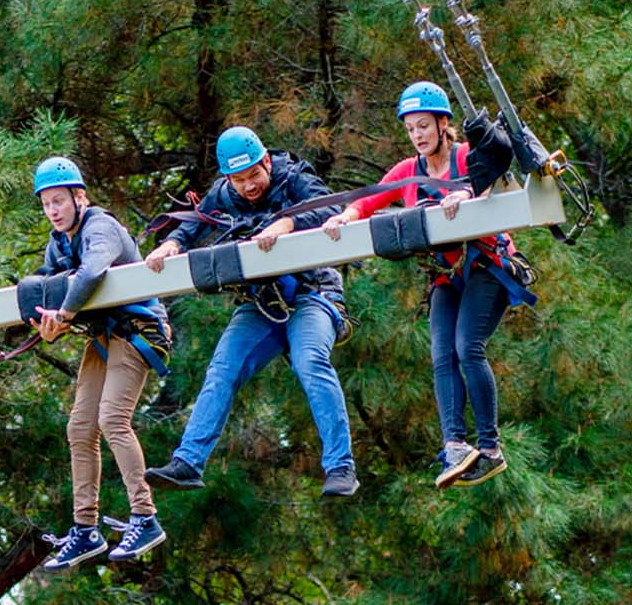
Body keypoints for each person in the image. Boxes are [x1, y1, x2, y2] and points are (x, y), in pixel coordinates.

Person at [322, 81, 541, 487]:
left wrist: (466, 195)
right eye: (410, 129)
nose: (417, 135)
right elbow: (368, 199)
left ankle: (490, 448)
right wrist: (344, 218)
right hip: (446, 275)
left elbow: (488, 177)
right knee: (442, 354)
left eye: (424, 125)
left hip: (487, 266)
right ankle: (455, 446)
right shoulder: (407, 172)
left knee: (466, 347)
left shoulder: (467, 157)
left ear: (443, 124)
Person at [140, 126, 360, 497]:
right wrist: (173, 244)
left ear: (267, 162)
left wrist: (287, 223)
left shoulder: (294, 177)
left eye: (255, 175)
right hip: (261, 304)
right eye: (239, 180)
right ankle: (188, 462)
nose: (249, 186)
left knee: (310, 362)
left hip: (312, 294)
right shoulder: (223, 195)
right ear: (228, 179)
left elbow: (329, 208)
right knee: (222, 370)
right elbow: (192, 224)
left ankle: (341, 467)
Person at [27, 156, 171, 570]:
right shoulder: (59, 242)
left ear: (79, 197)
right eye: (46, 204)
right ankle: (85, 528)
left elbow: (92, 273)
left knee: (112, 419)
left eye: (59, 201)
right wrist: (43, 323)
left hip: (139, 330)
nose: (53, 211)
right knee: (80, 427)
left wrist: (66, 315)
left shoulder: (100, 227)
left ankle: (144, 516)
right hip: (105, 337)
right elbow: (46, 285)